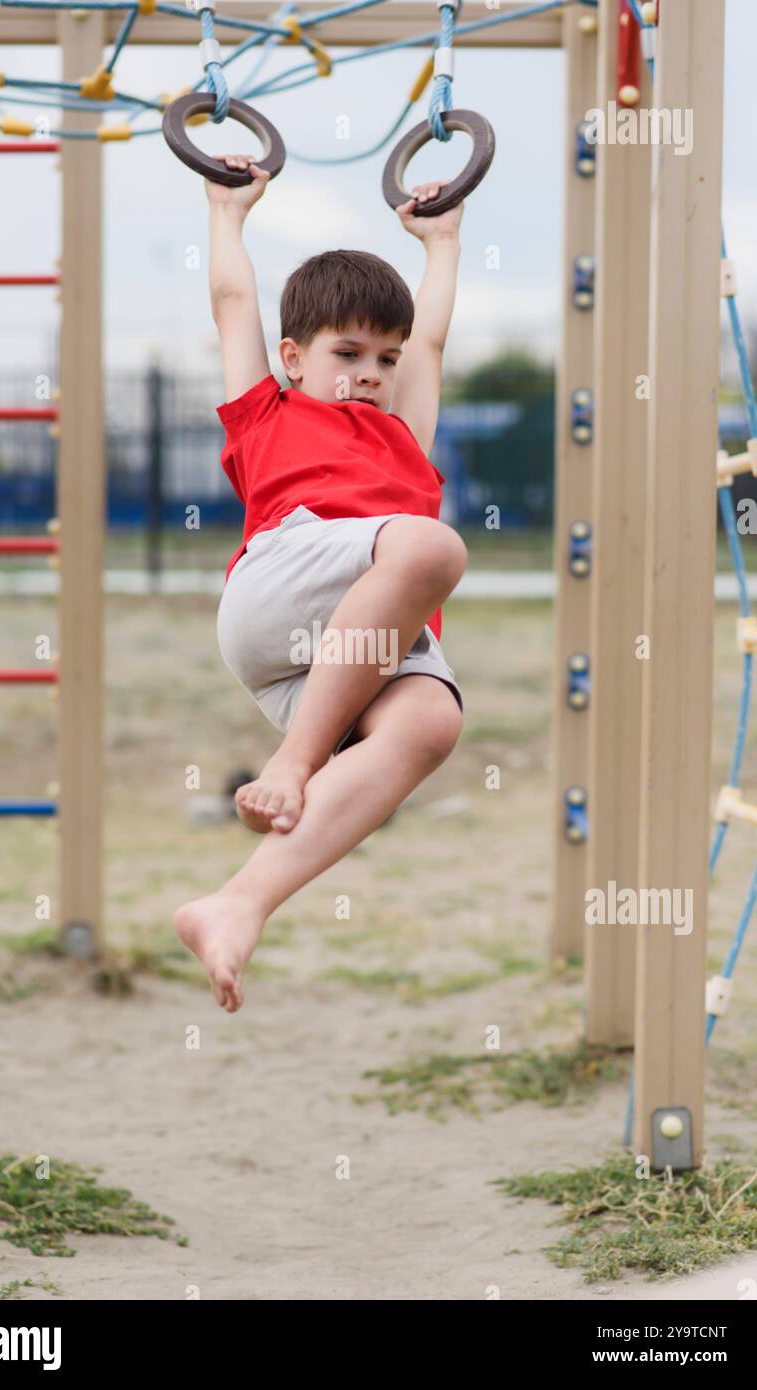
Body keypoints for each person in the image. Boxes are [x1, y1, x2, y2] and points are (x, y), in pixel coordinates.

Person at [174, 153, 469, 1012]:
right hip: (282, 589)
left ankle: (238, 903)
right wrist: (226, 213)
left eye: (385, 357)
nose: (370, 372)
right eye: (348, 352)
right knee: (431, 549)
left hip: (344, 654)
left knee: (429, 722)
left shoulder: (401, 433)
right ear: (294, 358)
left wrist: (441, 241)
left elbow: (434, 338)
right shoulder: (267, 412)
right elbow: (233, 303)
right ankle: (295, 762)